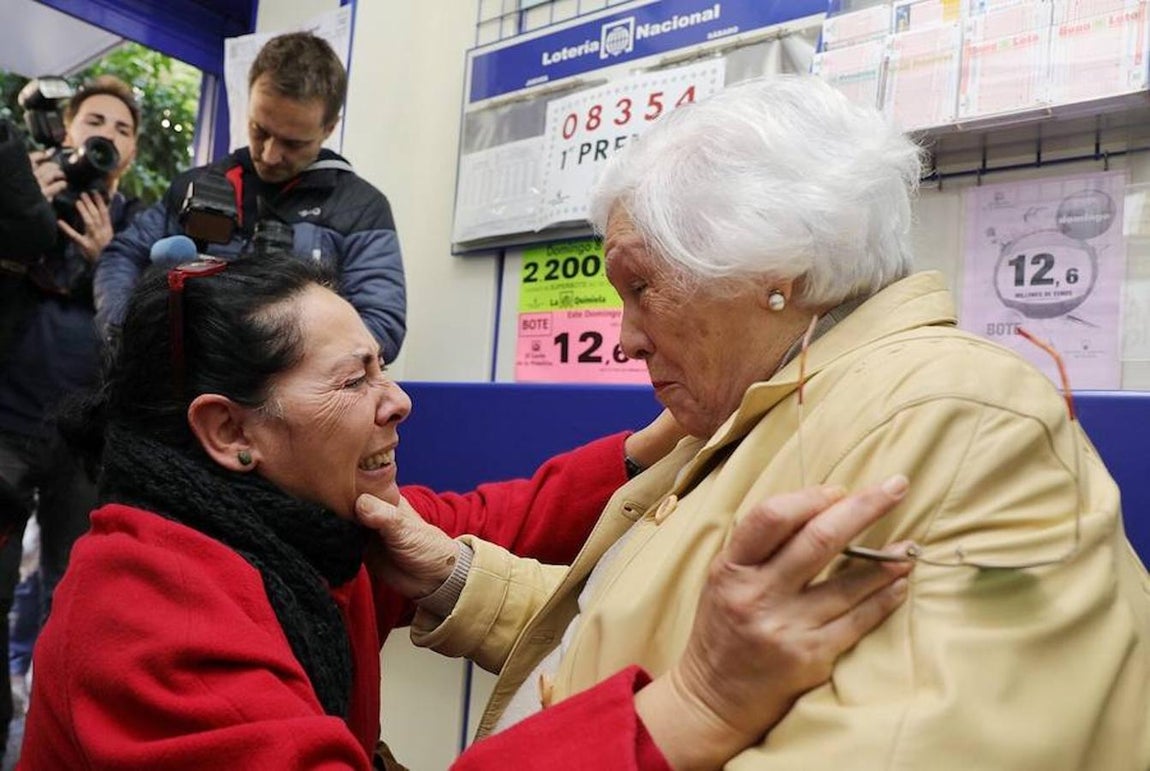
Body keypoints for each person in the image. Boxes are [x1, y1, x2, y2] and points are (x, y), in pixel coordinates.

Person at [362, 75, 1150, 770]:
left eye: (641, 286)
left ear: (781, 269)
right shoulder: (779, 402)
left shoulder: (957, 419)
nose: (626, 337)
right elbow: (641, 619)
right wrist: (455, 577)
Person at [19, 253, 910, 769]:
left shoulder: (302, 525)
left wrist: (671, 427)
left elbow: (493, 517)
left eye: (384, 366)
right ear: (230, 431)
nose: (398, 401)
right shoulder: (150, 614)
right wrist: (700, 701)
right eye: (355, 379)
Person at [94, 31, 406, 362]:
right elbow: (122, 255)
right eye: (260, 130)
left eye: (293, 143)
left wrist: (265, 355)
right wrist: (126, 336)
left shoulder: (362, 209)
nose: (269, 155)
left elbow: (381, 328)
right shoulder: (194, 184)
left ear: (329, 128)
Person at [0, 74, 141, 762]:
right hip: (7, 427)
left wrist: (107, 260)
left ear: (132, 153)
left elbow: (141, 326)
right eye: (95, 121)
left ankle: (50, 746)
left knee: (73, 599)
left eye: (122, 129)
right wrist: (24, 200)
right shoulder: (28, 185)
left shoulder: (138, 226)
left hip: (85, 443)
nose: (105, 136)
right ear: (67, 128)